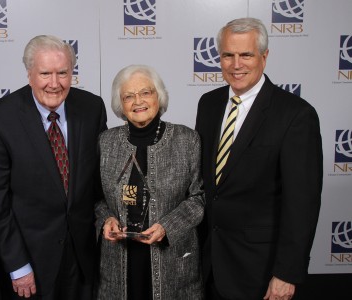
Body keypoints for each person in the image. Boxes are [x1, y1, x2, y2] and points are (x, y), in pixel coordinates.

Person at [195, 18, 322, 300]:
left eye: (246, 55)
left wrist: (286, 273)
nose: (235, 64)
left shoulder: (296, 115)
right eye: (228, 55)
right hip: (209, 263)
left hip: (260, 270)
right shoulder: (208, 103)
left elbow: (302, 204)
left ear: (264, 57)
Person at [0, 34, 107, 300]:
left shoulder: (92, 107)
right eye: (45, 73)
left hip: (83, 260)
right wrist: (18, 265)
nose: (54, 83)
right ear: (29, 74)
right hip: (28, 262)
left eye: (62, 73)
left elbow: (98, 183)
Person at [95, 64, 205, 300]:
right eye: (129, 96)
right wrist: (107, 219)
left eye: (146, 92)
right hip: (119, 261)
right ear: (120, 104)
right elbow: (96, 199)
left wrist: (168, 226)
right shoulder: (106, 142)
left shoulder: (187, 140)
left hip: (172, 260)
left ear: (159, 96)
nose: (138, 102)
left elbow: (199, 198)